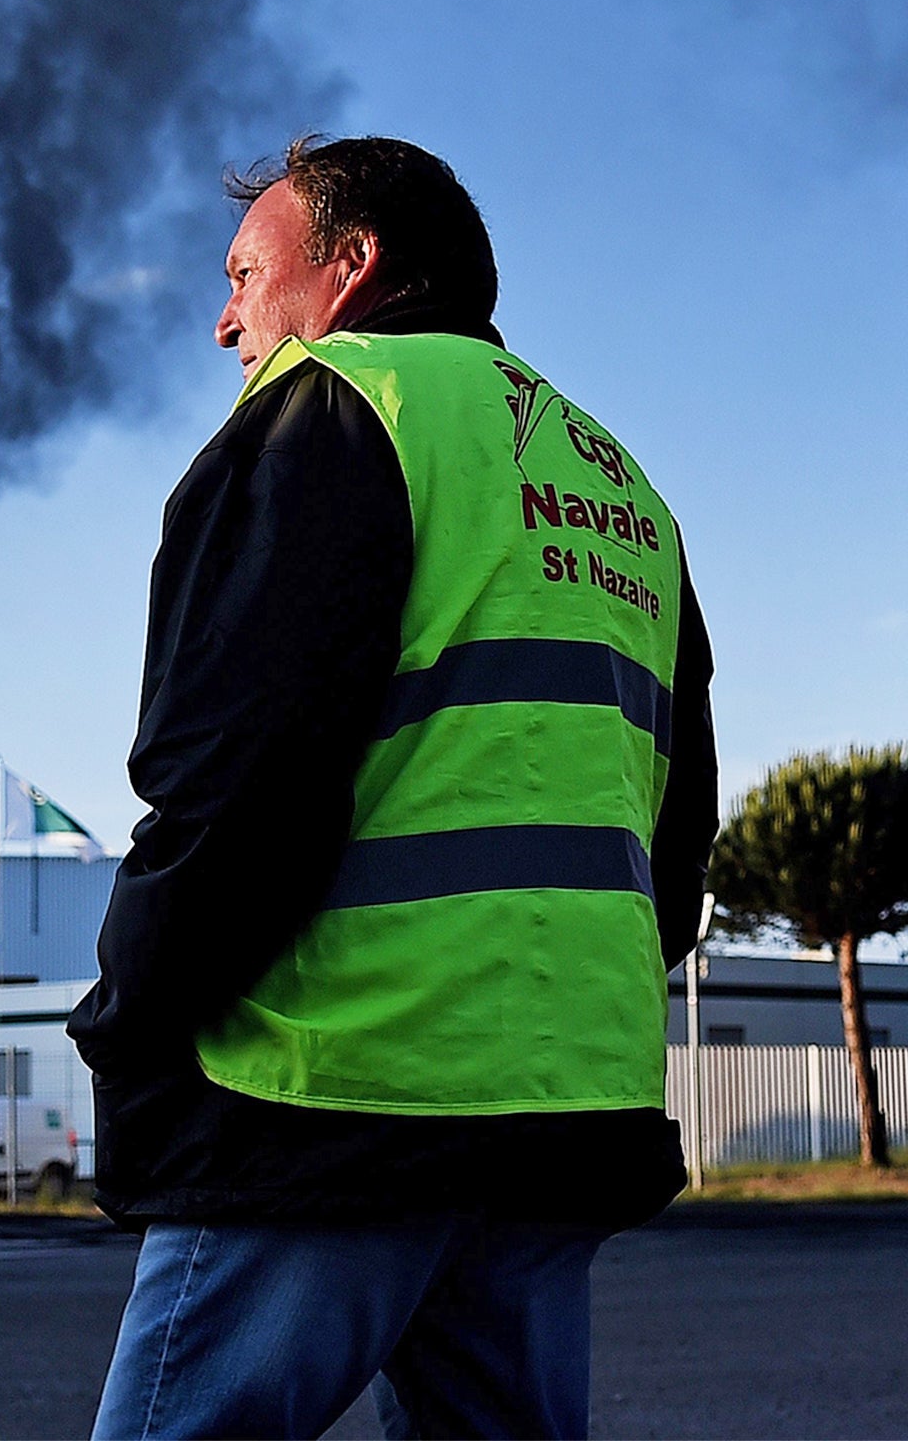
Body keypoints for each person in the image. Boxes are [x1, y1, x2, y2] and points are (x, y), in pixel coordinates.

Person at [67, 136, 717, 1440]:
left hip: (334, 1099)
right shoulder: (618, 486)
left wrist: (133, 1022)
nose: (225, 320)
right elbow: (676, 826)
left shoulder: (330, 416)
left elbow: (236, 780)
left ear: (350, 269)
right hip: (557, 1114)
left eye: (249, 274)